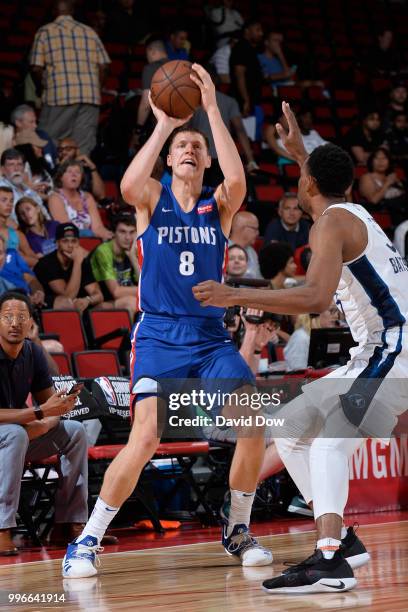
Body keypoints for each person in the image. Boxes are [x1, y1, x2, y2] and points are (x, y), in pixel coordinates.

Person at [62, 63, 273, 578]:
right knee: (147, 435)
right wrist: (163, 125)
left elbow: (239, 178)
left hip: (208, 338)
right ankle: (87, 541)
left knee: (253, 424)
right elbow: (130, 181)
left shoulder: (218, 204)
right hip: (158, 334)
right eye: (183, 146)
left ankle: (237, 526)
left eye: (196, 147)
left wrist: (210, 113)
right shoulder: (152, 199)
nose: (190, 150)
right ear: (169, 157)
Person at [192, 100, 408, 593]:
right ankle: (345, 541)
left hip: (395, 349)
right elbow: (318, 184)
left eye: (301, 172)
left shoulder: (330, 223)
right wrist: (297, 152)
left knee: (331, 437)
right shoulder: (353, 213)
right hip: (378, 350)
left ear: (307, 184)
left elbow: (313, 297)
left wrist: (235, 291)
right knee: (290, 427)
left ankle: (330, 560)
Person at [0, 291, 86, 555]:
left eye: (21, 317)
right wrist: (37, 415)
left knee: (75, 431)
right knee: (16, 434)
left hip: (18, 435)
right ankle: (2, 528)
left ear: (30, 324)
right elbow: (40, 410)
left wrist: (46, 421)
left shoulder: (33, 352)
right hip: (12, 435)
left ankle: (68, 523)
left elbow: (51, 406)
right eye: (7, 317)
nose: (15, 322)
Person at [29, 0, 111, 156]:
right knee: (82, 147)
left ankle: (52, 177)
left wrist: (42, 87)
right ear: (72, 11)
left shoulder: (45, 31)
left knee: (47, 141)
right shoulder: (89, 31)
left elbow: (36, 68)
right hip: (90, 97)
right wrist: (96, 89)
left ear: (54, 11)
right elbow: (104, 66)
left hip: (59, 95)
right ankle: (79, 176)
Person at [189, 80, 259, 185]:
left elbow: (184, 129)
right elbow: (240, 130)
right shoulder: (229, 101)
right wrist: (250, 160)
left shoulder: (191, 100)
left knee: (196, 197)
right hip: (220, 157)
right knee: (219, 198)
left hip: (198, 155)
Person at [34, 222, 103, 311]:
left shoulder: (83, 262)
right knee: (69, 304)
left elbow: (98, 295)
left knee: (103, 306)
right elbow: (68, 297)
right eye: (65, 241)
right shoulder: (47, 263)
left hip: (75, 307)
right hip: (47, 308)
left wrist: (88, 300)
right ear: (57, 243)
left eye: (74, 241)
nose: (70, 245)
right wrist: (77, 262)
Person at [48, 160, 112, 240]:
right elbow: (68, 229)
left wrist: (110, 236)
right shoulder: (55, 197)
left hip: (91, 240)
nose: (74, 175)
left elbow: (98, 227)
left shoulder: (87, 197)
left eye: (78, 172)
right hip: (69, 243)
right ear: (61, 177)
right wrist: (90, 233)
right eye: (69, 171)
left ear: (81, 178)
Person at [90, 214, 139, 319]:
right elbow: (116, 292)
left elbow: (143, 282)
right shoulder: (103, 252)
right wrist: (145, 290)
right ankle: (129, 336)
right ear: (113, 233)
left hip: (125, 299)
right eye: (122, 232)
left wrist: (133, 259)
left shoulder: (133, 251)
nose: (127, 238)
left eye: (132, 232)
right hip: (101, 304)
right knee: (132, 302)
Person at [358, 146, 407, 226]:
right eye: (377, 158)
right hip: (380, 218)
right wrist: (387, 183)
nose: (380, 161)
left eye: (384, 158)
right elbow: (373, 200)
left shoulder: (392, 177)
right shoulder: (367, 177)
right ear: (371, 161)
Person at [284, 306, 340, 371]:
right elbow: (298, 373)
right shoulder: (301, 337)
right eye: (331, 311)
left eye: (337, 311)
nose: (336, 316)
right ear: (314, 313)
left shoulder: (326, 336)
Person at [0, 148, 49, 222]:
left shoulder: (25, 188)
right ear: (2, 170)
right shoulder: (2, 189)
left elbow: (43, 211)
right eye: (11, 165)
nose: (16, 169)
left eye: (19, 164)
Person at [135, 39, 169, 139]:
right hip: (181, 126)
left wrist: (138, 130)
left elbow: (146, 103)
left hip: (159, 127)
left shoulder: (150, 68)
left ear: (151, 51)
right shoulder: (180, 66)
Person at [229, 20, 264, 117]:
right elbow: (239, 75)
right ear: (247, 31)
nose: (261, 33)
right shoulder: (241, 48)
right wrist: (245, 100)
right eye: (257, 30)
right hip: (241, 101)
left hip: (253, 99)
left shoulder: (250, 48)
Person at [0, 187, 39, 267]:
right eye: (4, 200)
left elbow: (36, 260)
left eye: (11, 201)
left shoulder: (17, 234)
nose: (9, 204)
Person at [229, 211, 262, 279]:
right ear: (243, 229)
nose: (258, 233)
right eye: (255, 229)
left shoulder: (252, 252)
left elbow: (259, 279)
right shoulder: (220, 249)